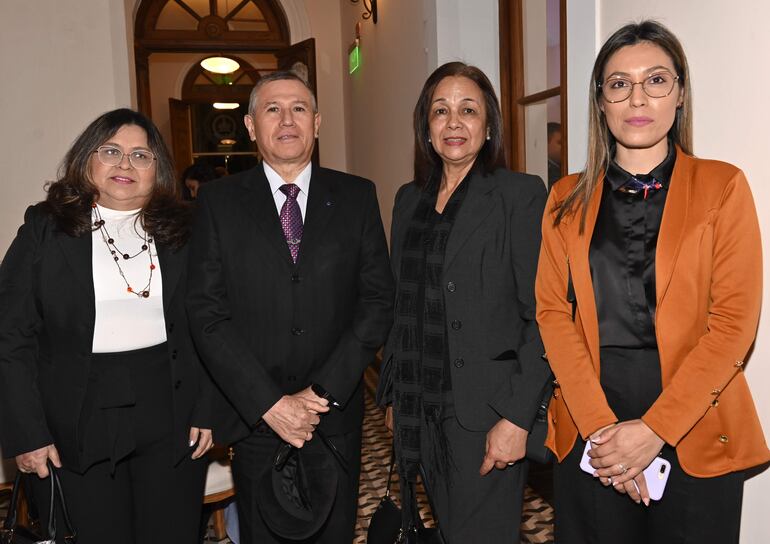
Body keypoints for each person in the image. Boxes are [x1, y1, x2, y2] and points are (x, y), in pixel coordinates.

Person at [536, 20, 770, 544]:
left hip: (695, 413)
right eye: (619, 84)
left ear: (680, 91)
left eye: (656, 80)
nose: (637, 97)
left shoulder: (723, 186)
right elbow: (552, 313)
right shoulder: (564, 198)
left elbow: (734, 324)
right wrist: (603, 431)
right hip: (590, 414)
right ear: (601, 101)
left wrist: (653, 431)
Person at [185, 70, 394, 543]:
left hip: (333, 414)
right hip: (256, 416)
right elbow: (206, 312)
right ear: (250, 125)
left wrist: (320, 394)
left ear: (317, 123)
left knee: (335, 534)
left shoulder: (357, 196)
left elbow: (377, 301)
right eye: (272, 109)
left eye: (299, 108)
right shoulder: (218, 202)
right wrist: (270, 403)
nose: (286, 119)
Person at [0, 108, 220, 543]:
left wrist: (210, 407)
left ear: (157, 170)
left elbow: (215, 323)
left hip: (172, 415)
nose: (125, 164)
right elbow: (10, 334)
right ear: (87, 160)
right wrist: (26, 432)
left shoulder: (188, 230)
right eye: (112, 151)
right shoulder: (45, 227)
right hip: (73, 423)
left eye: (141, 155)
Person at [377, 61, 549, 542]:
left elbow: (545, 316)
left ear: (488, 125)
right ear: (426, 128)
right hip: (419, 408)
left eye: (468, 110)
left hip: (485, 411)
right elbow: (401, 305)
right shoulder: (408, 199)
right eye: (441, 111)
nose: (454, 123)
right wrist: (393, 392)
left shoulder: (519, 194)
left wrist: (517, 417)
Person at [547, 122, 562, 188]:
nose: (564, 147)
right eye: (560, 143)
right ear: (547, 142)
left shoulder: (561, 166)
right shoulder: (546, 171)